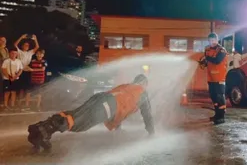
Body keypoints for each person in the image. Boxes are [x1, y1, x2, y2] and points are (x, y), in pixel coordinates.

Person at [27, 74, 155, 152]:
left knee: (74, 115)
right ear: (144, 83)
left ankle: (40, 128)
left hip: (100, 98)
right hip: (108, 106)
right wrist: (152, 133)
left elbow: (122, 105)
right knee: (79, 123)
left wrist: (118, 126)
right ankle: (42, 132)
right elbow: (147, 115)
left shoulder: (126, 86)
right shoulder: (142, 92)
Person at [199, 33, 228, 125]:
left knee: (220, 97)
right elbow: (207, 62)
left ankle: (222, 116)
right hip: (211, 78)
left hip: (220, 77)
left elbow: (217, 60)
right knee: (213, 97)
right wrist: (203, 62)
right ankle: (217, 115)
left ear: (217, 40)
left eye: (214, 40)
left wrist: (206, 58)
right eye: (210, 40)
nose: (212, 42)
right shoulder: (207, 49)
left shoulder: (221, 50)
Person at [14, 34, 40, 106]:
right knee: (20, 89)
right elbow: (15, 44)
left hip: (27, 71)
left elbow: (37, 47)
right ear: (22, 46)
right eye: (25, 45)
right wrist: (21, 37)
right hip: (20, 71)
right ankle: (18, 104)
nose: (26, 46)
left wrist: (35, 39)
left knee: (27, 89)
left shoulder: (30, 52)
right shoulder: (19, 51)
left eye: (27, 45)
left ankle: (26, 104)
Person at [0, 36, 9, 106]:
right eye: (1, 40)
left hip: (4, 70)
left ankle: (3, 102)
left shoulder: (6, 49)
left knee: (3, 86)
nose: (3, 42)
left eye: (4, 41)